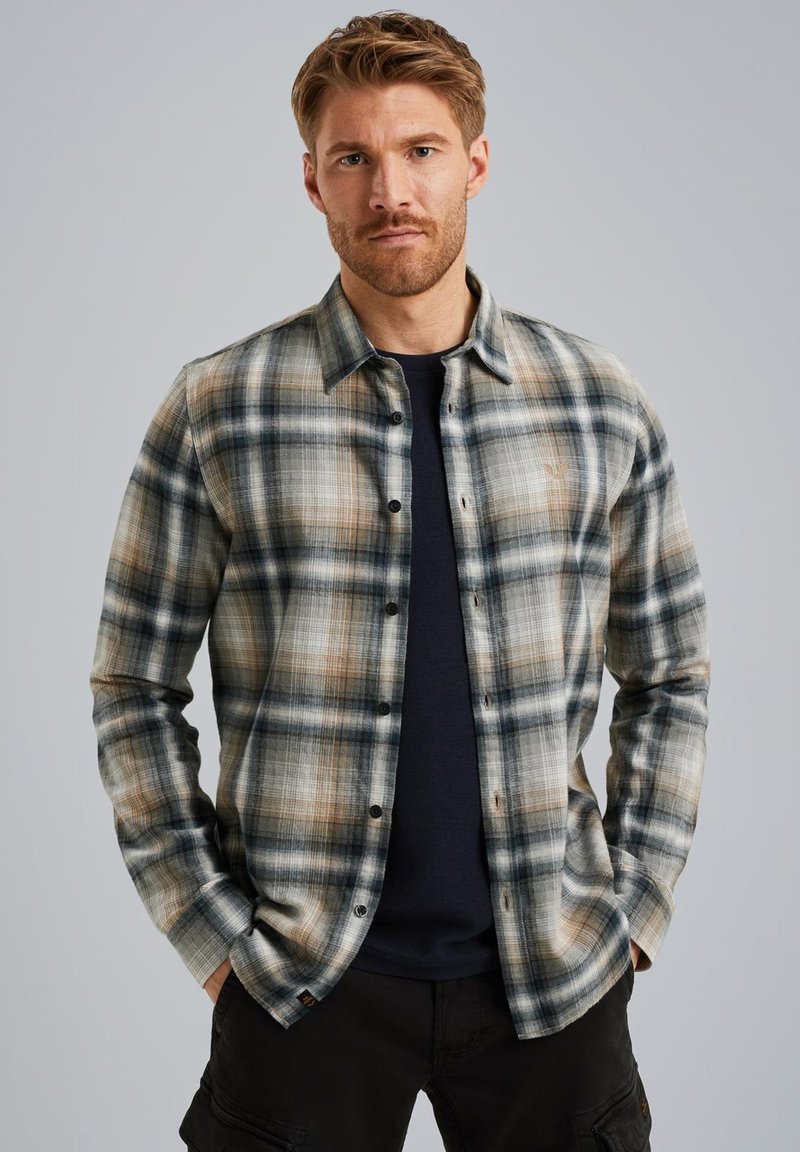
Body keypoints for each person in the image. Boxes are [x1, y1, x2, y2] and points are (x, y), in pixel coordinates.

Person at [89, 11, 710, 1151]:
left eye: (421, 150)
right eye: (353, 158)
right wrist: (213, 936)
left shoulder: (598, 402)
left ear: (476, 162)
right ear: (312, 182)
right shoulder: (218, 407)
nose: (390, 191)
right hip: (303, 982)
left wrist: (632, 912)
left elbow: (669, 674)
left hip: (552, 978)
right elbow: (131, 685)